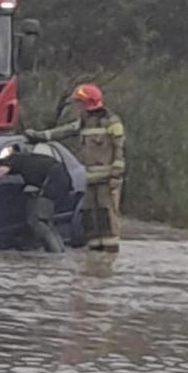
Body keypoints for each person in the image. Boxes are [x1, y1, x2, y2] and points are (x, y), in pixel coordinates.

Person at [25, 83, 125, 253]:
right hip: (89, 179)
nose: (77, 107)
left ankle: (109, 257)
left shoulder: (112, 122)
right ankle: (95, 256)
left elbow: (119, 150)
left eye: (79, 103)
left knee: (106, 217)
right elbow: (63, 131)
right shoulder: (83, 123)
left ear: (88, 103)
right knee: (89, 217)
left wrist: (116, 175)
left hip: (107, 181)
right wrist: (39, 136)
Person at [0, 145, 71, 253]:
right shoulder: (28, 158)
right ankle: (61, 251)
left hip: (52, 180)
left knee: (36, 221)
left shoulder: (13, 160)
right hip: (62, 176)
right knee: (47, 221)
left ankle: (56, 253)